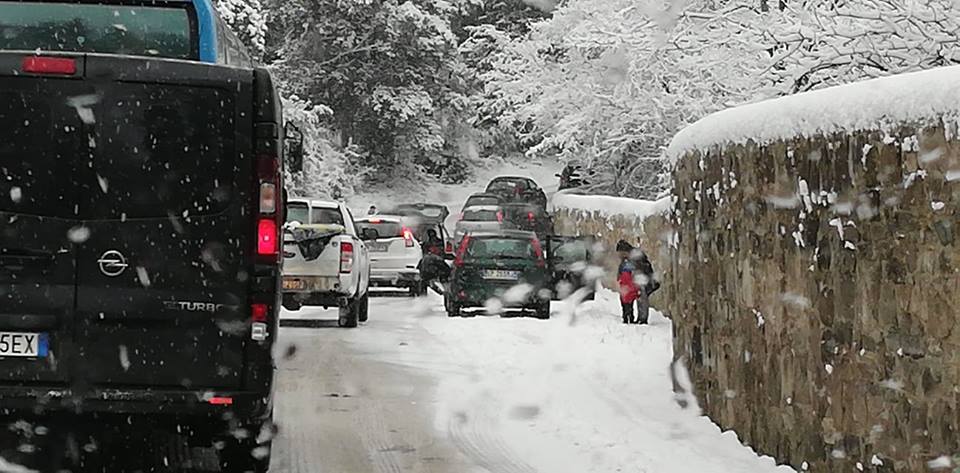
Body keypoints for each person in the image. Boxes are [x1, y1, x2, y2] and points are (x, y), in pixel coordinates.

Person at [616, 239, 656, 324]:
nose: (620, 256)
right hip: (632, 283)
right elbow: (621, 271)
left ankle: (642, 319)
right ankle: (628, 316)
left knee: (641, 296)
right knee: (626, 297)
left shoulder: (637, 256)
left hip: (643, 281)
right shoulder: (625, 259)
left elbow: (645, 269)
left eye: (621, 253)